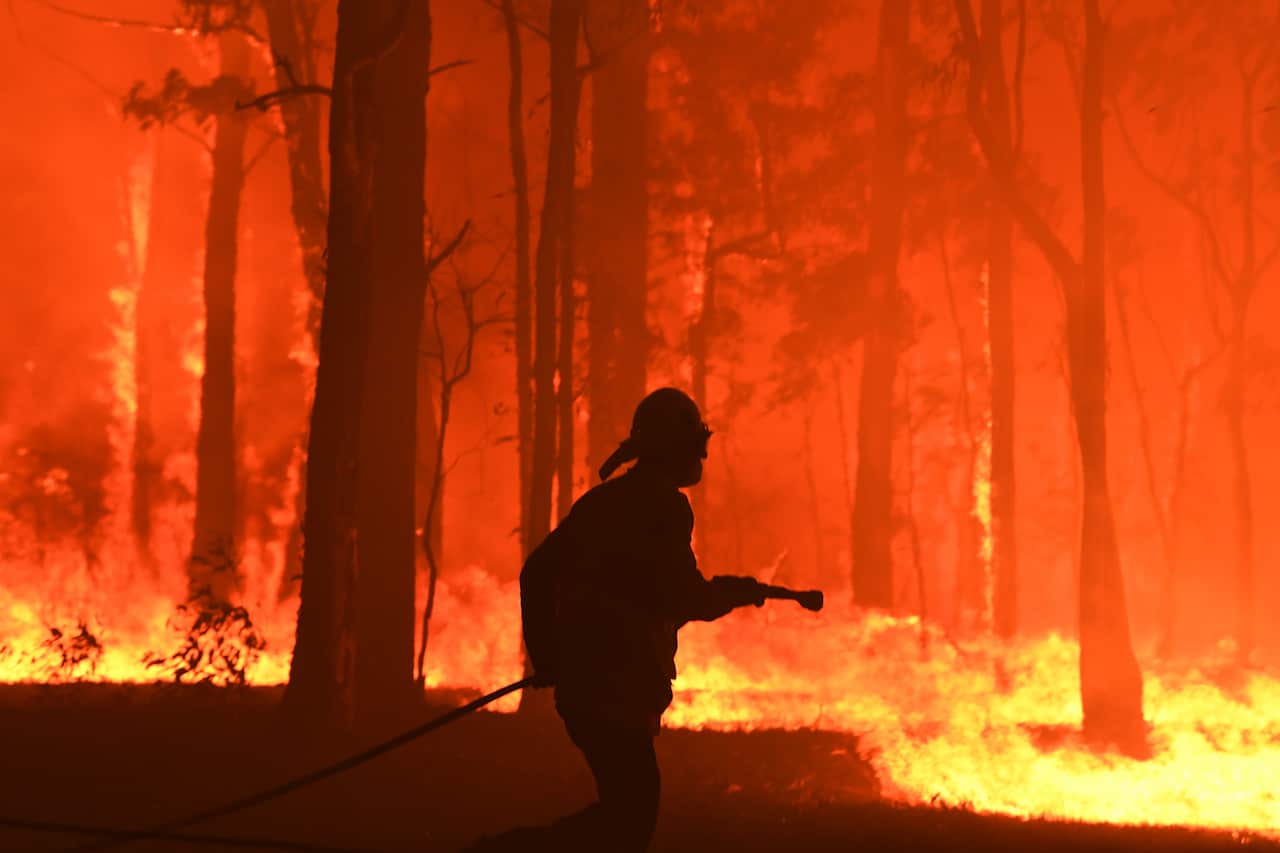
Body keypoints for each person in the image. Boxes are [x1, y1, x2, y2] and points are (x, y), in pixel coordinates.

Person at [469, 388, 771, 852]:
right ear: (673, 448)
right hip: (616, 691)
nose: (702, 454)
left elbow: (549, 574)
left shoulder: (602, 503)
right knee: (630, 818)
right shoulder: (664, 507)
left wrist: (546, 651)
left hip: (590, 691)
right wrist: (730, 593)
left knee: (624, 815)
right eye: (695, 442)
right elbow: (683, 598)